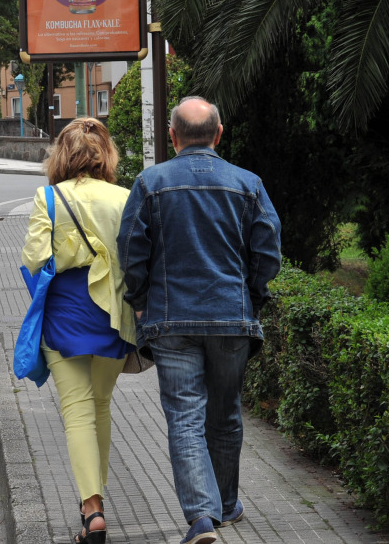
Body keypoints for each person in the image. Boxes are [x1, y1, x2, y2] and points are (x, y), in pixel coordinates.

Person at [117, 97, 281, 544]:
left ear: (172, 137)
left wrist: (139, 298)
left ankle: (202, 518)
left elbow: (132, 249)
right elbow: (267, 253)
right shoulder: (248, 184)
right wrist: (253, 296)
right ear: (219, 133)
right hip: (231, 317)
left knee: (185, 418)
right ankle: (226, 505)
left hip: (171, 322)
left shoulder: (150, 183)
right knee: (226, 414)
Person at [21, 117, 137, 544]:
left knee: (77, 412)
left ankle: (92, 509)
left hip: (65, 316)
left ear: (61, 156)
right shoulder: (125, 197)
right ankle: (97, 503)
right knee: (101, 407)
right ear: (106, 156)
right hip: (113, 315)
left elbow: (34, 259)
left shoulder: (47, 198)